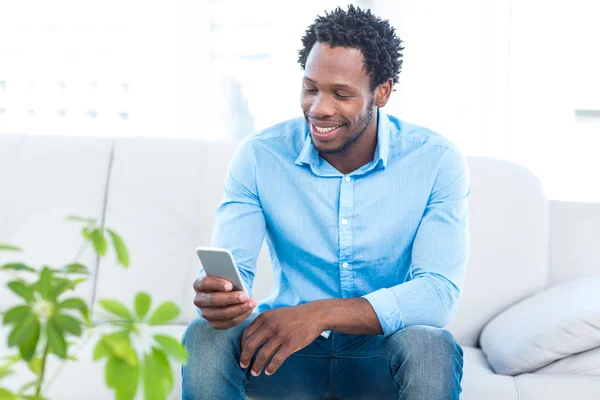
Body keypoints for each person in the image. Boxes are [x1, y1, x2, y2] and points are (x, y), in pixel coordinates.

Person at [182, 5, 469, 400]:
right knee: (205, 336)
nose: (319, 108)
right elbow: (236, 271)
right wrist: (219, 297)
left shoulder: (436, 160)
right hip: (284, 355)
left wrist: (319, 315)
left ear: (382, 92)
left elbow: (437, 294)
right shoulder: (260, 156)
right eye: (311, 88)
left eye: (342, 93)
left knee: (429, 345)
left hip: (379, 354)